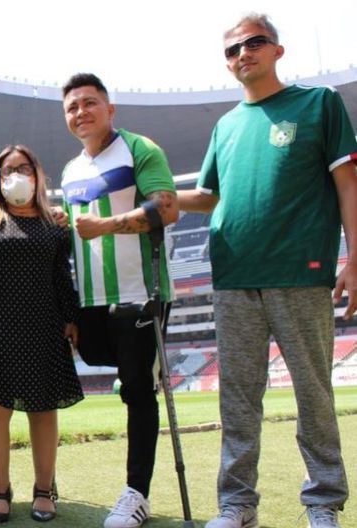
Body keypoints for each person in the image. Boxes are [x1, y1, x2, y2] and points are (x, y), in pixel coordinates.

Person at [177, 13, 356, 528]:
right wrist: (160, 196)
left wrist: (355, 258)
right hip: (234, 276)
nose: (243, 54)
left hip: (300, 271)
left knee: (313, 393)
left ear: (278, 50)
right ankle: (237, 505)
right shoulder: (226, 126)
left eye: (254, 43)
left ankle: (323, 502)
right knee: (237, 399)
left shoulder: (318, 103)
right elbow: (206, 197)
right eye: (232, 49)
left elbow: (348, 182)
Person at [59, 73, 179, 528]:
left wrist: (106, 226)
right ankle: (140, 370)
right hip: (91, 300)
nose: (81, 112)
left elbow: (167, 208)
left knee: (137, 391)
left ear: (110, 109)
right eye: (72, 107)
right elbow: (74, 234)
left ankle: (136, 494)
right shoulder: (71, 171)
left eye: (89, 103)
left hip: (139, 294)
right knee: (94, 356)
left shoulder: (139, 149)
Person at [0, 145, 83, 524]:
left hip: (44, 326)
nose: (16, 176)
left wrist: (72, 317)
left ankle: (44, 490)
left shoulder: (55, 224)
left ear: (37, 173)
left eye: (23, 168)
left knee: (42, 411)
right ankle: (1, 493)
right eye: (7, 170)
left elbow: (61, 275)